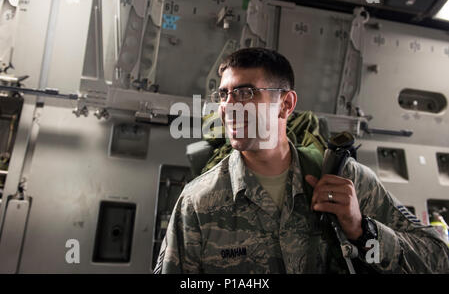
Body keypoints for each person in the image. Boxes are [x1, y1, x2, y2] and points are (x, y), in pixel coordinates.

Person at [154, 47, 449, 274]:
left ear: (286, 105)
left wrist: (362, 231)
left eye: (245, 93)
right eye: (223, 94)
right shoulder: (198, 201)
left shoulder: (347, 180)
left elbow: (438, 258)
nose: (229, 106)